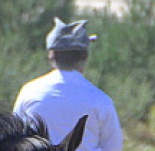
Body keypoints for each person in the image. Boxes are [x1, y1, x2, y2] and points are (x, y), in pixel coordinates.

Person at [12, 18, 122, 151]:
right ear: (85, 56)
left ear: (51, 55)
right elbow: (114, 147)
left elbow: (15, 139)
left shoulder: (29, 92)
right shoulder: (101, 101)